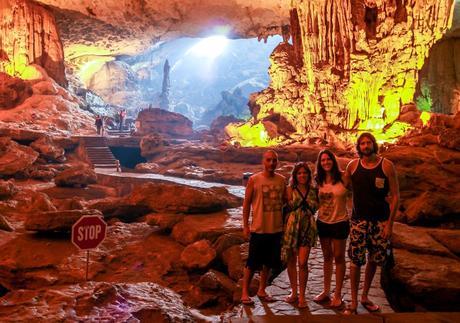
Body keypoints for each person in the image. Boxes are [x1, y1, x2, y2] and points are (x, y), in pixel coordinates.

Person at [344, 132, 399, 314]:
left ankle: (365, 296)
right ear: (358, 147)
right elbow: (340, 187)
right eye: (362, 144)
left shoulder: (387, 166)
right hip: (358, 221)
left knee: (374, 260)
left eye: (368, 143)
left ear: (373, 145)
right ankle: (353, 299)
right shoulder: (352, 167)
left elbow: (396, 196)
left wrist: (389, 224)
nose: (365, 146)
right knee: (355, 261)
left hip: (380, 221)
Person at [241, 150, 286, 305]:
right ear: (263, 161)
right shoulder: (254, 180)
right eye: (269, 160)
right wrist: (245, 226)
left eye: (274, 160)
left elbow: (287, 201)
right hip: (259, 229)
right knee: (252, 263)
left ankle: (261, 290)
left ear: (277, 162)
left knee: (268, 262)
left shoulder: (282, 180)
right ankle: (244, 292)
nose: (272, 163)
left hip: (275, 229)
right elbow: (246, 204)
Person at [313, 149, 350, 308]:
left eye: (328, 159)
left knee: (339, 257)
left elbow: (360, 191)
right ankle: (326, 291)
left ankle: (338, 294)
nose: (326, 162)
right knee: (327, 257)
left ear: (333, 161)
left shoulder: (344, 177)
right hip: (323, 222)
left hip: (340, 222)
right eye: (323, 160)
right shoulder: (318, 180)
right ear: (320, 163)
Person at [282, 162, 317, 309]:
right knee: (291, 261)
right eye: (299, 173)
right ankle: (294, 292)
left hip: (307, 228)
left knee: (303, 262)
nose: (302, 175)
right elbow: (280, 207)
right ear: (295, 175)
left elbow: (317, 207)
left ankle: (302, 295)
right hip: (291, 227)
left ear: (309, 175)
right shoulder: (289, 190)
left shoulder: (314, 190)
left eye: (305, 173)